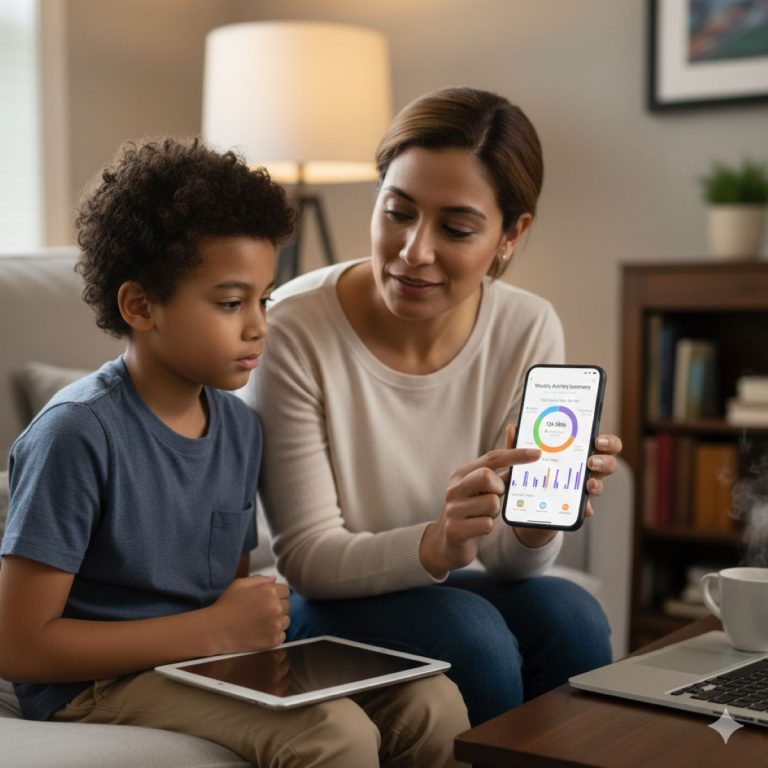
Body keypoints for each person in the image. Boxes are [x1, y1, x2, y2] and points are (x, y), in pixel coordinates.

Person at [0, 138, 469, 767]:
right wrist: (212, 630)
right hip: (90, 686)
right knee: (331, 733)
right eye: (230, 303)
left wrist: (237, 629)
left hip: (203, 660)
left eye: (263, 299)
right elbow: (20, 646)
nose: (258, 326)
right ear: (140, 306)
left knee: (431, 702)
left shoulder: (240, 427)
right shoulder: (76, 434)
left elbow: (231, 597)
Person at [244, 86, 622, 726]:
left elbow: (509, 563)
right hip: (323, 599)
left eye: (455, 228)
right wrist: (439, 543)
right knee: (472, 635)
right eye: (398, 212)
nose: (414, 251)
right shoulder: (293, 328)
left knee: (573, 615)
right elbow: (307, 557)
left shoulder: (528, 326)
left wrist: (535, 524)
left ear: (511, 234)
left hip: (436, 583)